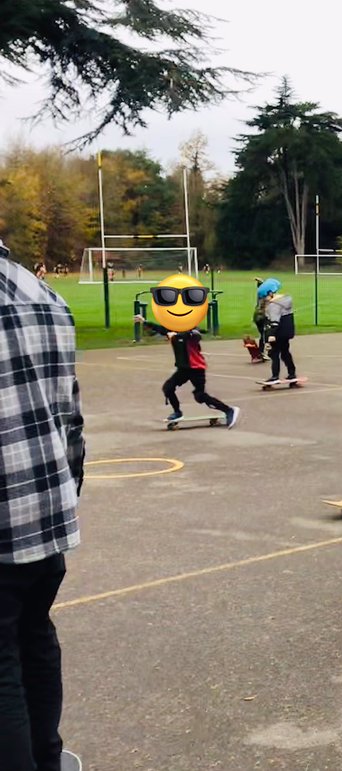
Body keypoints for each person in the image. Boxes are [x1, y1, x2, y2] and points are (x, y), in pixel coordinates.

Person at [0, 237, 86, 770]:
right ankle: (45, 757)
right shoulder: (45, 293)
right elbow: (71, 414)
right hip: (45, 510)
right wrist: (65, 487)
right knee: (34, 635)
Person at [135, 315, 240, 428]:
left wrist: (177, 335)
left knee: (200, 396)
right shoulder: (173, 330)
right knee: (168, 388)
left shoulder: (193, 331)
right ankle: (177, 412)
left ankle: (229, 410)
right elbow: (160, 329)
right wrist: (144, 321)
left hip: (196, 368)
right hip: (183, 369)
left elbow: (196, 334)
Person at [258, 278, 298, 385]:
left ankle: (275, 376)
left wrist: (271, 335)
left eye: (265, 297)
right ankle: (292, 373)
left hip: (278, 333)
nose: (264, 299)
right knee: (285, 352)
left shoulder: (273, 305)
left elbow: (274, 321)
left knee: (274, 353)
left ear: (270, 293)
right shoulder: (285, 300)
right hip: (287, 332)